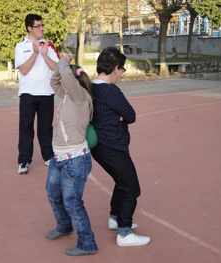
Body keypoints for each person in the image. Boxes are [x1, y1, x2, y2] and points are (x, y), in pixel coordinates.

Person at [90, 47, 150, 247]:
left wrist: (117, 117)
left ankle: (115, 218)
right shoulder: (110, 90)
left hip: (99, 147)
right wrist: (119, 117)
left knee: (121, 181)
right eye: (122, 70)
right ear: (116, 68)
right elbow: (131, 115)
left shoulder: (91, 86)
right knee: (131, 188)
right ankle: (124, 232)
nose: (122, 74)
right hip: (113, 146)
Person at [45, 54, 98, 256]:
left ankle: (87, 243)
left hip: (75, 160)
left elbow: (65, 76)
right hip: (58, 157)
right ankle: (64, 226)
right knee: (53, 194)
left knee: (72, 202)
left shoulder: (80, 96)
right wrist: (60, 68)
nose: (61, 82)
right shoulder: (67, 94)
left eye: (65, 80)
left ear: (73, 82)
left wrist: (63, 61)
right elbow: (54, 81)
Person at [14, 14, 59, 174]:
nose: (41, 29)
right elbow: (24, 70)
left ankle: (48, 157)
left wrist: (44, 54)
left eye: (42, 25)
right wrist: (35, 53)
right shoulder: (20, 46)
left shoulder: (48, 45)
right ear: (29, 28)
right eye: (38, 26)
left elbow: (56, 68)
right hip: (27, 94)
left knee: (46, 128)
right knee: (26, 128)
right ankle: (24, 161)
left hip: (46, 93)